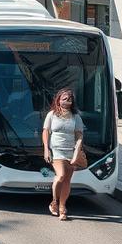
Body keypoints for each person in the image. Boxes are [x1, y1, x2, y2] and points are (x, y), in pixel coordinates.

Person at [43, 88, 85, 221]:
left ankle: (62, 208)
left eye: (70, 99)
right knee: (60, 176)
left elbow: (79, 136)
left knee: (67, 180)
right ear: (58, 100)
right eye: (64, 99)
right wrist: (46, 149)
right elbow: (46, 132)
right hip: (56, 151)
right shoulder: (52, 115)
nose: (67, 101)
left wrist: (76, 152)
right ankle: (54, 202)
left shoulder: (76, 116)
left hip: (71, 152)